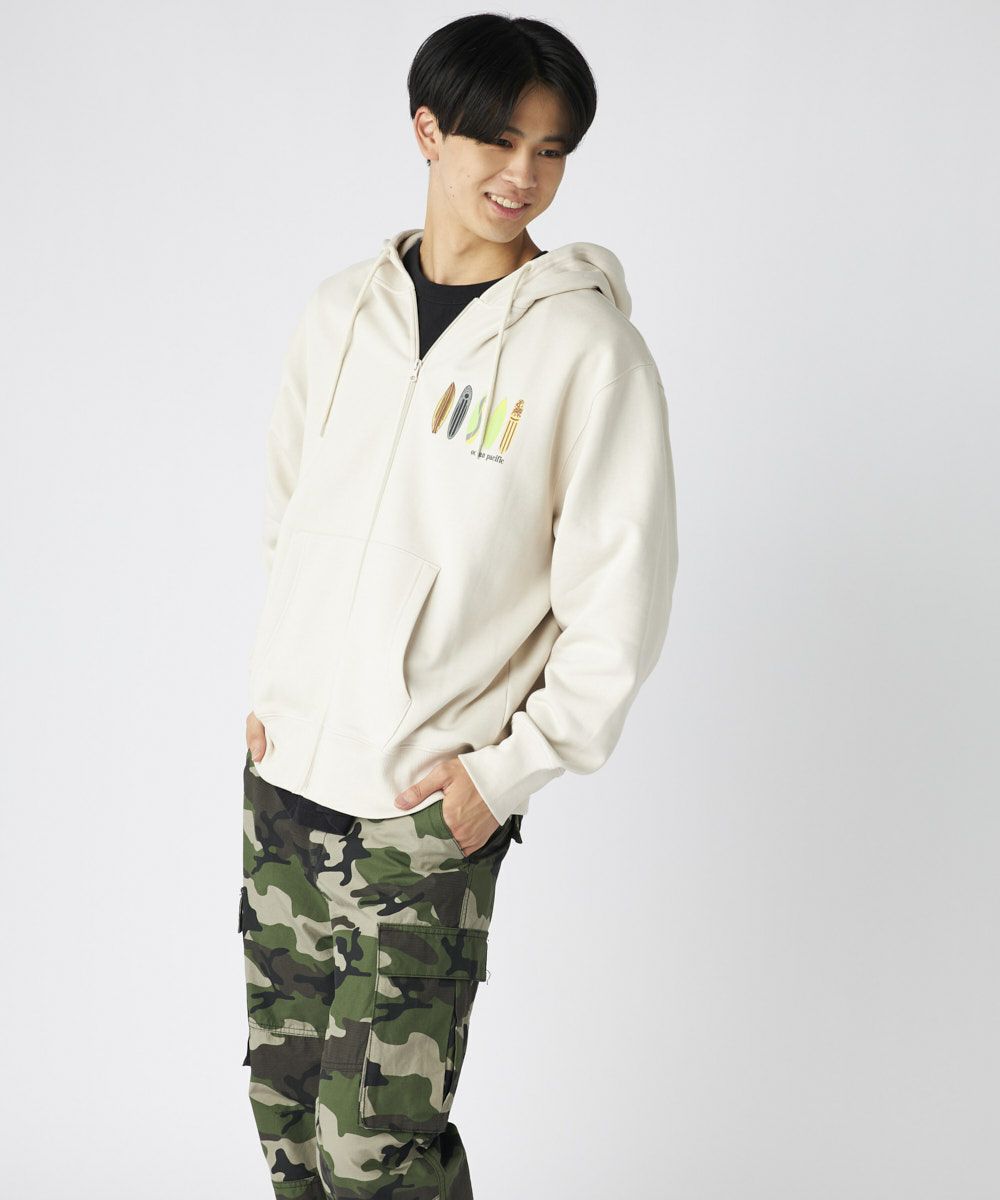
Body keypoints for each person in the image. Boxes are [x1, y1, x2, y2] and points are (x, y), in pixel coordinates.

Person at [239, 13, 679, 1199]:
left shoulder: (586, 350)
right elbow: (291, 514)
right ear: (427, 132)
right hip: (285, 786)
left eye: (551, 149)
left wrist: (508, 771)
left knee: (374, 1154)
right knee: (288, 1130)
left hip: (420, 812)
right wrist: (278, 690)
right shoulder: (340, 313)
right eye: (497, 139)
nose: (523, 173)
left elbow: (620, 599)